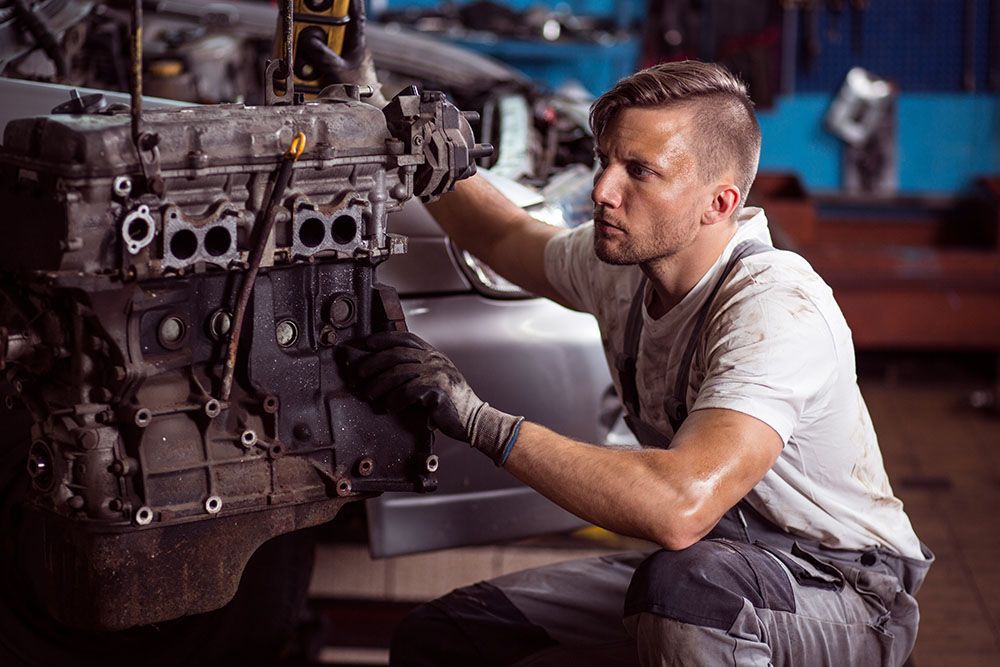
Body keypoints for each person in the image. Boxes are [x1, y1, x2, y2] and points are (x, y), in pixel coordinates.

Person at [323, 6, 932, 665]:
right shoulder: (621, 266)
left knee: (686, 591)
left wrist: (476, 419)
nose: (603, 190)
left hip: (843, 590)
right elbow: (503, 235)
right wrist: (388, 120)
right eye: (605, 161)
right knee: (448, 636)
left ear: (719, 203)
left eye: (640, 172)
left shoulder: (776, 308)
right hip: (713, 571)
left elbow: (680, 505)